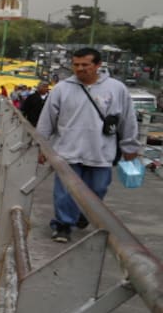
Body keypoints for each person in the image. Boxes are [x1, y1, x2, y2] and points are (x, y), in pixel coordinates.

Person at [36, 48, 139, 243]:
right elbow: (47, 119)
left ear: (98, 65)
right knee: (65, 191)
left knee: (98, 189)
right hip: (67, 150)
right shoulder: (62, 88)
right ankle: (63, 224)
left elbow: (127, 119)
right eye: (76, 65)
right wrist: (42, 146)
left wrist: (130, 147)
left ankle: (84, 214)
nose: (80, 69)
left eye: (85, 65)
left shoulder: (116, 88)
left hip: (100, 152)